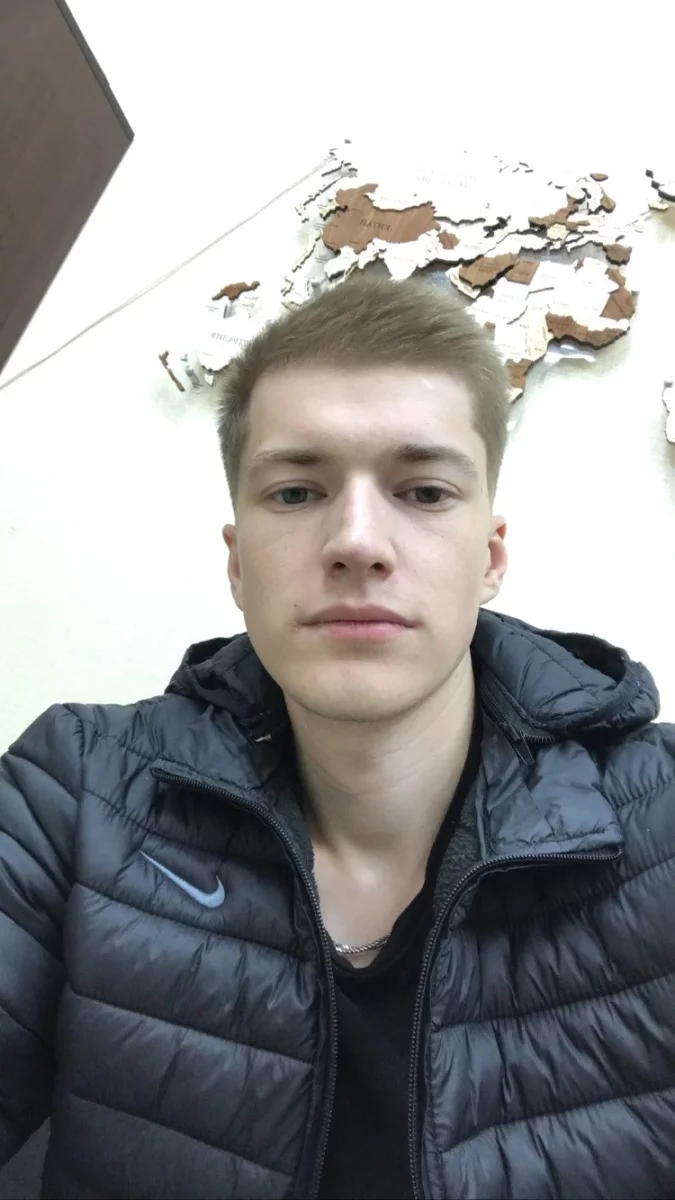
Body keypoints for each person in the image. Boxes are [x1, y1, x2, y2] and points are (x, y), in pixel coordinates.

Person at [1, 275, 674, 1200]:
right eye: (296, 492)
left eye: (423, 491)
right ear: (237, 565)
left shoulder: (662, 821)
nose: (357, 542)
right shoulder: (74, 795)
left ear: (489, 556)